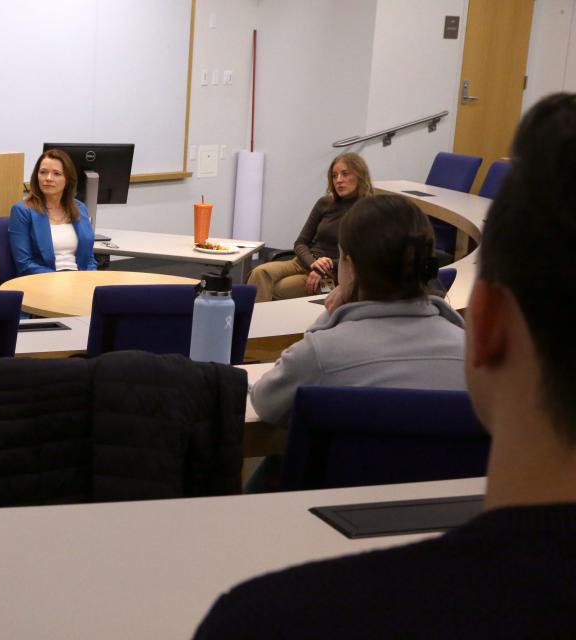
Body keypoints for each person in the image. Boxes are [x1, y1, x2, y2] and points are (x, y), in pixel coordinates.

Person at [194, 93, 576, 638]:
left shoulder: (266, 617)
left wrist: (327, 324)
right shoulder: (451, 339)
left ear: (487, 325)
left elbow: (265, 401)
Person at [249, 193, 466, 428]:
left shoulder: (322, 354)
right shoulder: (472, 354)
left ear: (350, 268)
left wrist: (328, 320)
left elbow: (265, 402)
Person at [247, 152, 374, 302]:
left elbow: (362, 257)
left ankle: (259, 323)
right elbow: (301, 242)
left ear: (359, 175)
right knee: (260, 273)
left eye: (345, 174)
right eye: (334, 176)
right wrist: (313, 263)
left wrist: (325, 267)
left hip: (334, 273)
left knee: (276, 289)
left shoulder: (369, 210)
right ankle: (254, 324)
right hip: (305, 262)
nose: (339, 180)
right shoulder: (325, 203)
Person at [8, 149, 98, 275]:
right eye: (43, 172)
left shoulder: (80, 208)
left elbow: (89, 258)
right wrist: (60, 280)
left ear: (68, 180)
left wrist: (90, 278)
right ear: (36, 176)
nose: (48, 178)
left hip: (79, 279)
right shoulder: (22, 211)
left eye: (56, 173)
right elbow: (24, 264)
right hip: (43, 281)